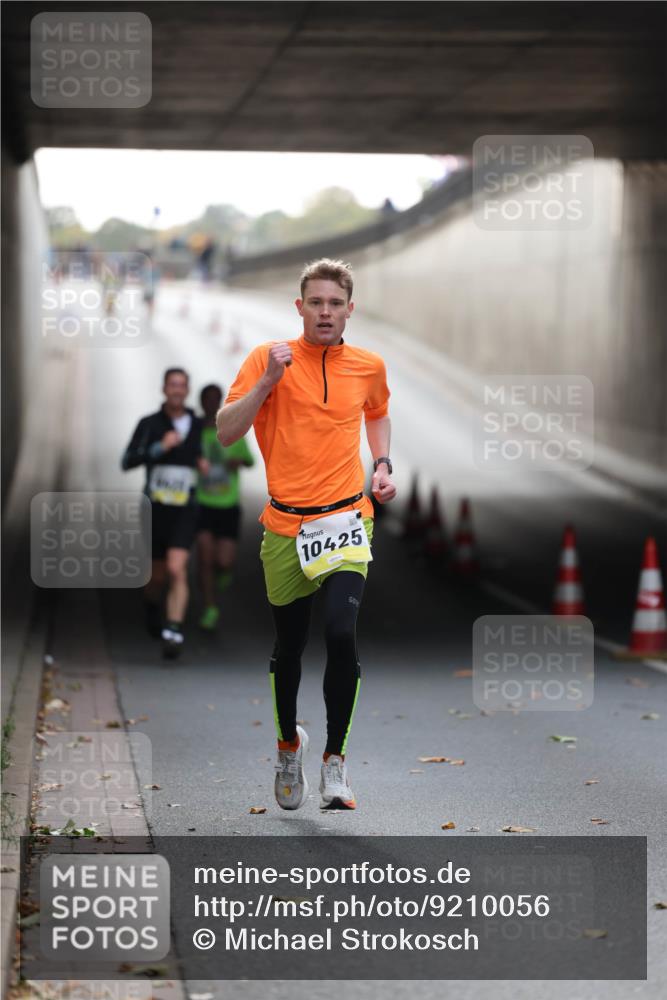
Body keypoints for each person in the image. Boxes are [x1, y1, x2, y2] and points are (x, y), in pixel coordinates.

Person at [217, 258, 396, 811]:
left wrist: (383, 463)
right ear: (300, 307)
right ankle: (288, 745)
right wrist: (268, 380)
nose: (325, 312)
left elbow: (378, 411)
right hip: (285, 525)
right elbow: (226, 433)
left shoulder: (367, 365)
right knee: (289, 647)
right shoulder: (266, 360)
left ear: (349, 309)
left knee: (342, 635)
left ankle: (335, 764)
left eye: (335, 303)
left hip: (346, 520)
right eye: (315, 303)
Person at [121, 368, 205, 659]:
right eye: (172, 385)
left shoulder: (199, 425)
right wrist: (159, 447)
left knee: (176, 568)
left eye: (182, 385)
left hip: (185, 509)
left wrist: (204, 464)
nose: (177, 390)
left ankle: (173, 629)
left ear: (187, 389)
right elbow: (127, 460)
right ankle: (152, 608)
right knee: (156, 578)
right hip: (155, 508)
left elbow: (216, 454)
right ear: (164, 388)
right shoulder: (150, 424)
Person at [196, 383, 255, 631]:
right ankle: (210, 607)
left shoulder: (232, 430)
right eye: (207, 399)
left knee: (224, 561)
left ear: (220, 401)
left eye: (215, 399)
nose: (211, 403)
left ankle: (224, 574)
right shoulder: (195, 431)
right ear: (201, 402)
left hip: (228, 505)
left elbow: (250, 461)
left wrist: (237, 460)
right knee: (205, 559)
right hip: (202, 504)